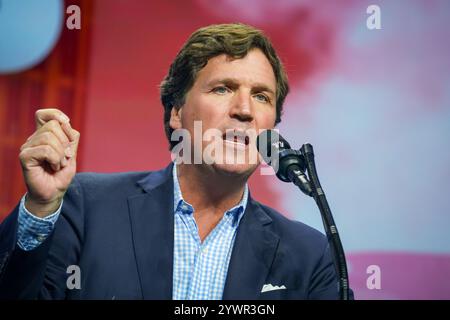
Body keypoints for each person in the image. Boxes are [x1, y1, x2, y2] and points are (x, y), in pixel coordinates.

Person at [0, 23, 341, 299]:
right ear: (177, 112)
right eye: (223, 88)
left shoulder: (310, 255)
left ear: (273, 127)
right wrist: (41, 208)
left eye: (261, 96)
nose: (244, 110)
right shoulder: (84, 205)